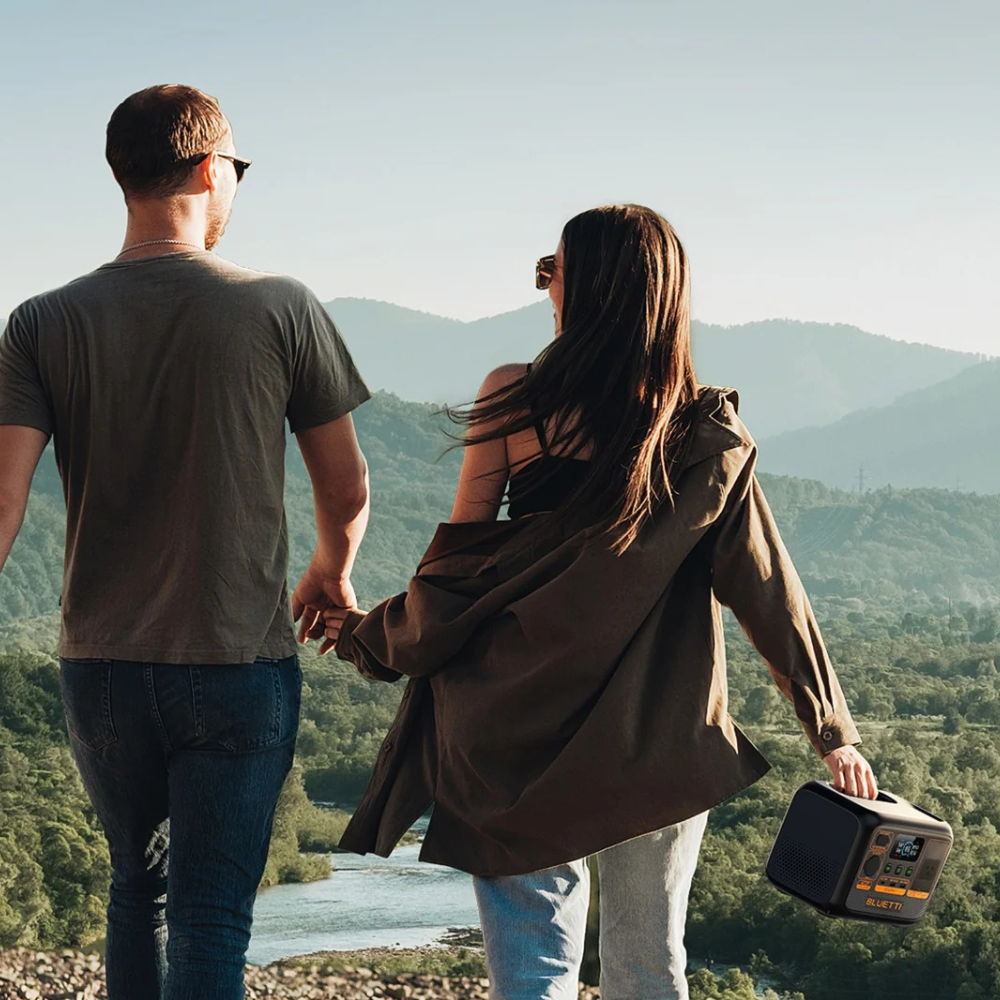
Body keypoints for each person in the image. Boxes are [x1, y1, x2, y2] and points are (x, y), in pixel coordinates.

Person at [324, 204, 879, 1000]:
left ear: (584, 291)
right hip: (657, 742)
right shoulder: (705, 435)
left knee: (535, 973)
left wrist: (366, 634)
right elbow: (768, 589)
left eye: (553, 272)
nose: (545, 289)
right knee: (650, 969)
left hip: (513, 737)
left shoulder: (515, 398)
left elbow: (456, 578)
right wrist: (833, 733)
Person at [0, 84, 370, 999]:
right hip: (237, 660)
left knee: (138, 890)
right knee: (211, 917)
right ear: (211, 170)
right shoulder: (282, 306)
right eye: (237, 170)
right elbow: (347, 482)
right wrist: (331, 573)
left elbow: (2, 497)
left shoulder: (39, 322)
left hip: (102, 667)